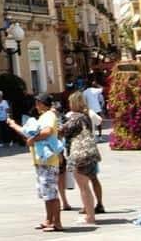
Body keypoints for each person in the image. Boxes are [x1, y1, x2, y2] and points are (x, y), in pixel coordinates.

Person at [17, 92, 66, 232]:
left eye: (37, 102)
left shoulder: (49, 116)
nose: (36, 105)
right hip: (42, 160)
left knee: (51, 193)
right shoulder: (45, 116)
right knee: (46, 193)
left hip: (48, 161)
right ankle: (48, 220)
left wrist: (33, 140)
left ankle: (57, 223)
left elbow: (48, 131)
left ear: (42, 103)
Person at [63, 90, 103, 226]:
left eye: (69, 102)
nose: (68, 104)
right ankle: (89, 214)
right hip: (91, 153)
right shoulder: (86, 116)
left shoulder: (76, 118)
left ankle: (90, 217)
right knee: (87, 185)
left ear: (74, 103)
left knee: (84, 187)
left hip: (80, 154)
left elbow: (63, 131)